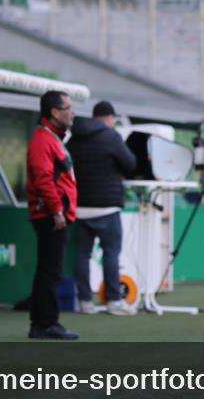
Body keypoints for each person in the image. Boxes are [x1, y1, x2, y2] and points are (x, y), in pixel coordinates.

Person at [68, 100, 139, 316]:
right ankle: (114, 301)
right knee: (111, 254)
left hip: (80, 206)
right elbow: (130, 164)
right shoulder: (111, 136)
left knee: (82, 255)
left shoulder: (74, 138)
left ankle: (84, 302)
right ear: (110, 118)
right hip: (107, 207)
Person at [26, 90, 79, 340]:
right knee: (50, 272)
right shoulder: (43, 139)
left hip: (53, 214)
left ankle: (41, 324)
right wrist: (57, 210)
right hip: (50, 215)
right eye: (68, 108)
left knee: (48, 270)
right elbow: (43, 180)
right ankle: (47, 324)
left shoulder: (50, 138)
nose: (73, 113)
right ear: (55, 112)